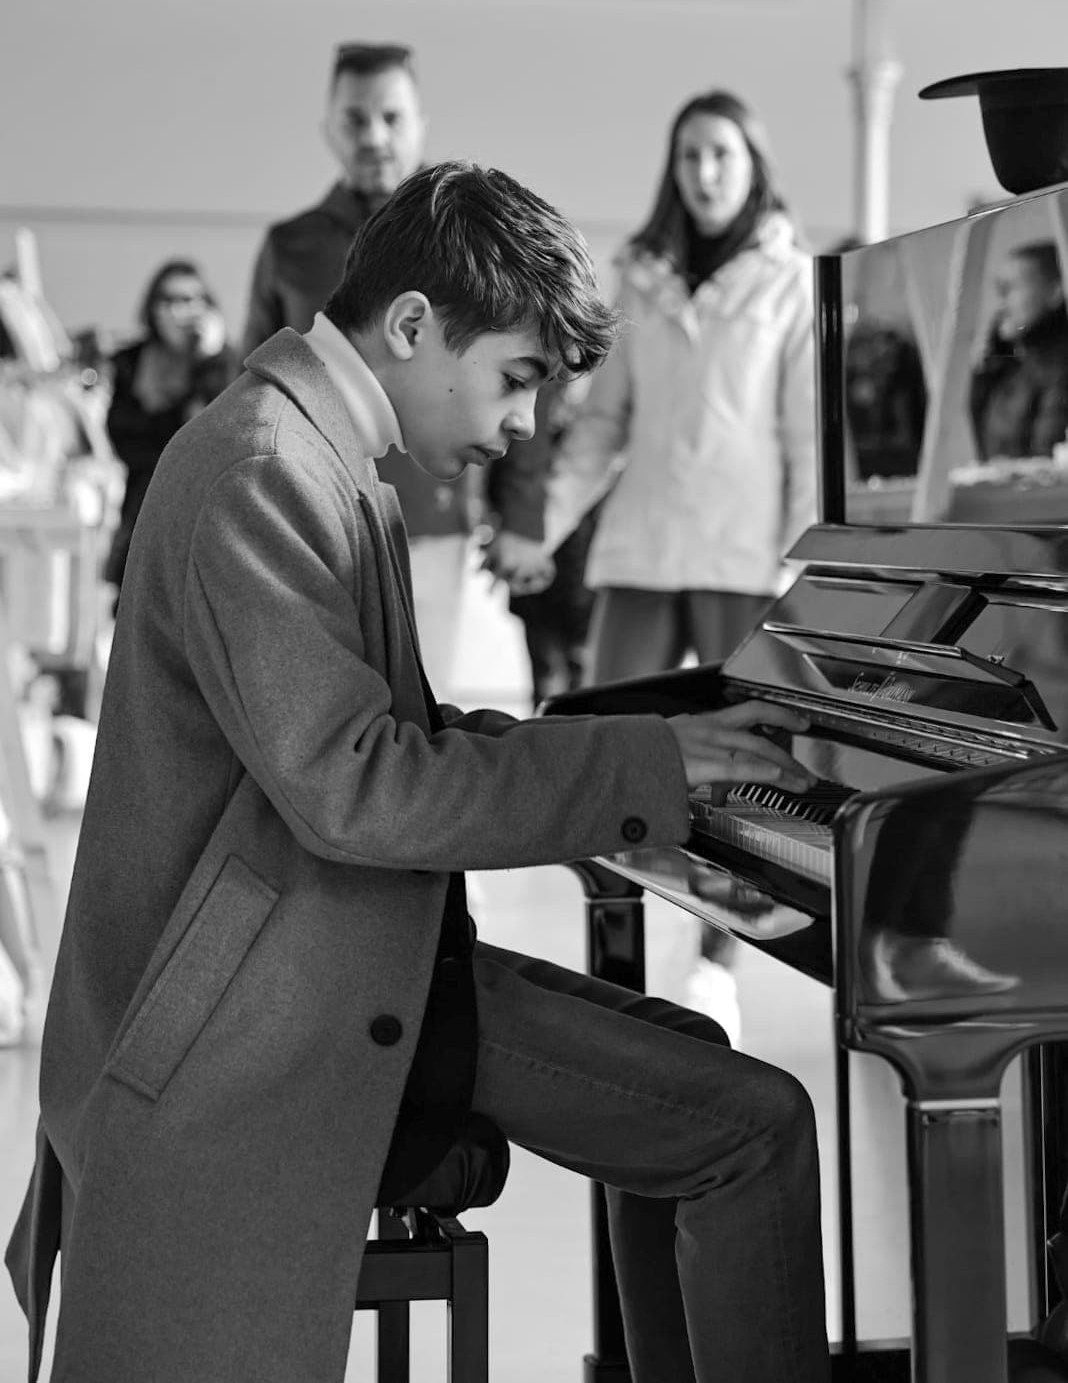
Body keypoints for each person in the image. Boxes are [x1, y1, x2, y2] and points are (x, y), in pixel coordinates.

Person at [7, 161, 830, 1383]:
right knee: (756, 1130)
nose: (524, 427)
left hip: (312, 956)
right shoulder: (263, 470)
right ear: (409, 327)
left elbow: (399, 739)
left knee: (714, 1089)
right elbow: (361, 787)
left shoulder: (318, 453)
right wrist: (640, 766)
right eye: (516, 377)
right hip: (252, 1022)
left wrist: (636, 761)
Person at [518, 89, 818, 1043]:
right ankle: (620, 947)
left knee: (744, 757)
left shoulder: (792, 280)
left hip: (742, 549)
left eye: (722, 154)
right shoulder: (637, 277)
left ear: (752, 162)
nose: (706, 172)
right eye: (690, 155)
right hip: (644, 547)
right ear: (673, 167)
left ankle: (719, 969)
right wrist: (541, 527)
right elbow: (603, 424)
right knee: (616, 743)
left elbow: (804, 435)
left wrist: (811, 559)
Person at [241, 40, 470, 693]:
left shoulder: (462, 243)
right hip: (310, 516)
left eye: (392, 118)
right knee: (322, 709)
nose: (374, 136)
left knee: (430, 718)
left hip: (429, 517)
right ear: (329, 131)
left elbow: (515, 369)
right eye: (355, 119)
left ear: (421, 125)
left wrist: (524, 520)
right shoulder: (290, 247)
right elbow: (248, 386)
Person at [103, 259, 237, 602]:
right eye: (171, 300)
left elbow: (221, 428)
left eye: (194, 299)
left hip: (205, 512)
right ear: (153, 306)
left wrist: (210, 360)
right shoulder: (131, 362)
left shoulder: (222, 364)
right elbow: (124, 436)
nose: (183, 310)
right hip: (143, 509)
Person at [482, 377, 600, 708]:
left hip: (581, 534)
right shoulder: (546, 378)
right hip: (538, 531)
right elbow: (520, 458)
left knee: (577, 661)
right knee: (551, 662)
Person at [969, 238, 1068, 462]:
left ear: (1054, 291)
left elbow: (1045, 459)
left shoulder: (1057, 368)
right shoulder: (1012, 365)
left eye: (1010, 289)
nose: (1002, 305)